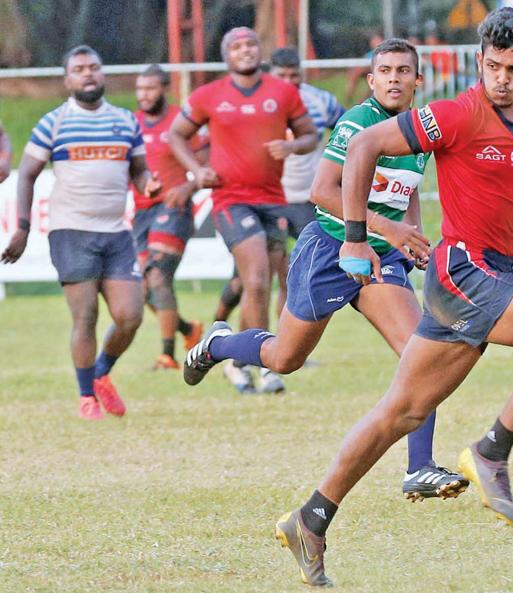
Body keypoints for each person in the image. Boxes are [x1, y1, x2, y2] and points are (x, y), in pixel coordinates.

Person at [271, 8, 513, 586]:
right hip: (465, 272)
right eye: (492, 66)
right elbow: (361, 148)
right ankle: (491, 451)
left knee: (401, 412)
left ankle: (309, 518)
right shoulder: (455, 114)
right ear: (479, 62)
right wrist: (359, 240)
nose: (501, 79)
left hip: (481, 278)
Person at [184, 38, 469, 503]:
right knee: (285, 359)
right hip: (332, 248)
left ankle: (419, 468)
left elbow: (407, 188)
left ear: (419, 80)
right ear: (371, 80)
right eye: (385, 71)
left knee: (424, 354)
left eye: (404, 71)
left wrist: (411, 232)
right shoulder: (358, 122)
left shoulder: (419, 130)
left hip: (383, 259)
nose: (394, 79)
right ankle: (219, 344)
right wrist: (384, 228)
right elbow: (321, 190)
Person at [1, 45, 161, 420]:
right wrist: (22, 227)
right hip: (70, 231)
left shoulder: (125, 121)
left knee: (131, 315)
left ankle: (102, 371)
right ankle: (86, 395)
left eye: (93, 67)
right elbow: (26, 174)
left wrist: (147, 182)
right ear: (67, 79)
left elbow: (138, 170)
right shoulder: (54, 122)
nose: (87, 73)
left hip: (116, 231)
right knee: (85, 314)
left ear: (102, 74)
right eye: (79, 69)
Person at [169, 27, 318, 395]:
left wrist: (294, 146)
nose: (246, 50)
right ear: (226, 55)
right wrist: (196, 169)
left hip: (272, 198)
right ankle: (260, 365)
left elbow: (311, 135)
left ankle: (240, 359)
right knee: (255, 278)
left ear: (259, 50)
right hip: (230, 198)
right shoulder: (209, 95)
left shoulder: (282, 92)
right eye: (237, 46)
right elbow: (176, 134)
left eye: (251, 43)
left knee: (267, 281)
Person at [211, 47, 346, 389]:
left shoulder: (320, 102)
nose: (289, 82)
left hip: (308, 200)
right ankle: (235, 346)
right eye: (282, 76)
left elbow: (352, 135)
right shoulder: (261, 101)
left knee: (292, 278)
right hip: (268, 198)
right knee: (252, 280)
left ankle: (278, 348)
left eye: (294, 75)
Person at [133, 64, 205, 370]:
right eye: (140, 89)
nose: (144, 95)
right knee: (142, 289)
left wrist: (189, 186)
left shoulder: (181, 120)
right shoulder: (131, 123)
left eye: (150, 88)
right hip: (142, 212)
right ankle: (189, 331)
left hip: (174, 208)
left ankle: (167, 356)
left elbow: (207, 159)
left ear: (164, 88)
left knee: (158, 275)